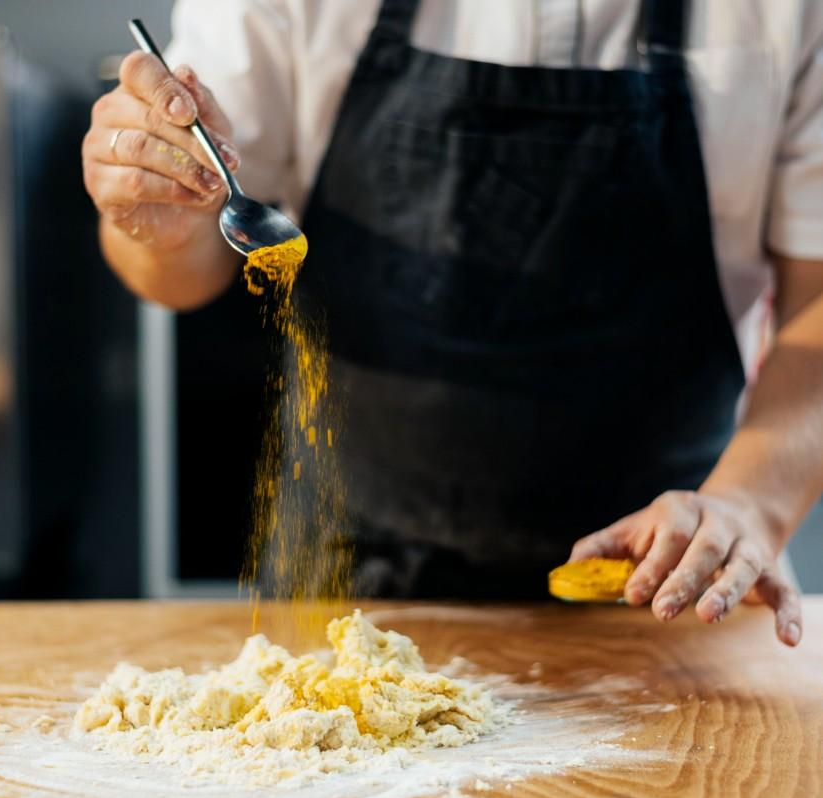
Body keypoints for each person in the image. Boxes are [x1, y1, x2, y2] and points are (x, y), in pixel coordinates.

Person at [82, 0, 823, 644]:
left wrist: (746, 503)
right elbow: (178, 271)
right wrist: (158, 218)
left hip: (667, 580)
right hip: (346, 579)